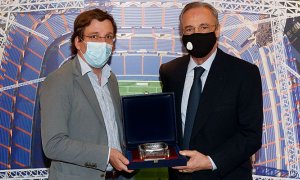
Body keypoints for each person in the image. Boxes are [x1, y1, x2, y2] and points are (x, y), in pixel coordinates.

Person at [159, 2, 263, 180]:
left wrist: (210, 161)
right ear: (182, 34)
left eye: (204, 27)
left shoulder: (244, 73)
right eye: (189, 29)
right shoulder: (169, 71)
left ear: (217, 30)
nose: (196, 34)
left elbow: (251, 135)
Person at [39, 9, 133, 179]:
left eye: (108, 37)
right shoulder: (58, 81)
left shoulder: (110, 78)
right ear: (78, 42)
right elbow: (53, 144)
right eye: (94, 36)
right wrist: (106, 155)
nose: (103, 42)